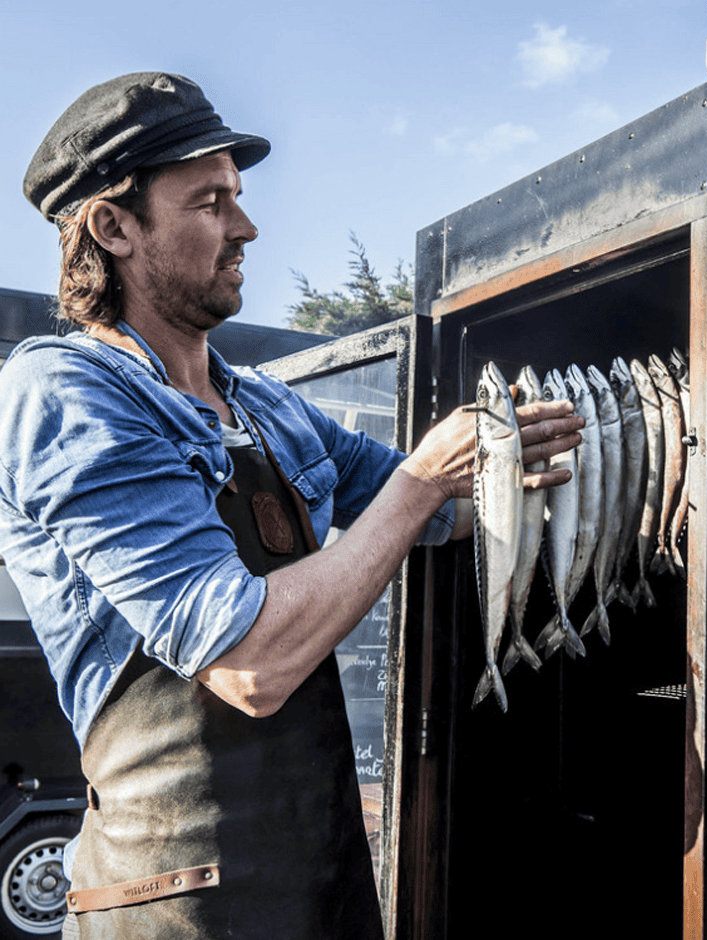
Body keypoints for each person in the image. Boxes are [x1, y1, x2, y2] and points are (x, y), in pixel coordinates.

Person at [0, 73, 583, 940]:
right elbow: (247, 663)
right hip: (173, 904)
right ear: (113, 227)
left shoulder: (270, 408)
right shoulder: (65, 391)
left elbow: (438, 520)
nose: (246, 228)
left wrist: (582, 472)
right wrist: (425, 477)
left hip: (326, 880)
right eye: (209, 203)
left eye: (238, 197)